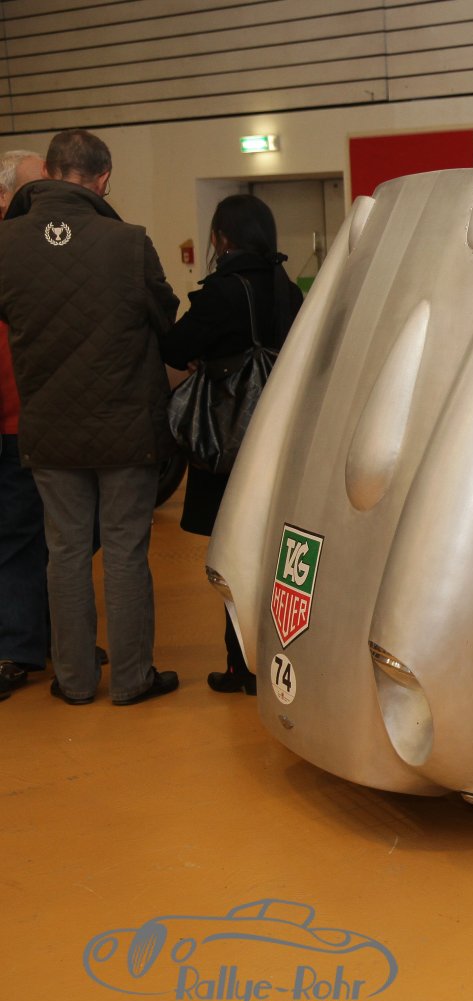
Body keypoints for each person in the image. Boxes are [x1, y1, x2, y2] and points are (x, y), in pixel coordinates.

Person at [0, 129, 180, 706]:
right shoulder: (128, 242)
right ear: (104, 179)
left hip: (48, 426)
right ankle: (131, 679)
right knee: (125, 551)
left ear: (50, 171)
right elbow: (165, 317)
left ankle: (74, 681)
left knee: (64, 552)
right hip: (125, 425)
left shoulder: (6, 244)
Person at [161, 194, 303, 695]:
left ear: (221, 238)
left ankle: (241, 664)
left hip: (228, 443)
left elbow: (175, 347)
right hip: (281, 438)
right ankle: (276, 656)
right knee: (272, 552)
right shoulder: (289, 290)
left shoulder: (221, 292)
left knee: (232, 551)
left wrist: (207, 359)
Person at [0, 149, 48, 702]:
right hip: (13, 419)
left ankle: (39, 637)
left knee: (43, 538)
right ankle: (16, 647)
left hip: (37, 417)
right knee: (17, 538)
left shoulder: (35, 244)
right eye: (33, 187)